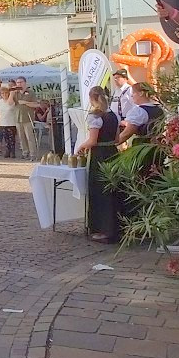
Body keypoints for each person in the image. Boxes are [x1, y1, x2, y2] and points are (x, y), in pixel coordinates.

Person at [76, 85, 122, 244]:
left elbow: (92, 141)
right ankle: (115, 227)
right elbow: (117, 139)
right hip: (113, 152)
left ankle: (103, 229)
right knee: (112, 189)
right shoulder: (114, 115)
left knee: (100, 190)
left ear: (92, 99)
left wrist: (81, 147)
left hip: (100, 155)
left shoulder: (95, 116)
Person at [14, 78, 41, 161]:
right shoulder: (16, 93)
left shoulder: (30, 93)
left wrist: (25, 102)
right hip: (18, 118)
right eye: (17, 82)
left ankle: (33, 154)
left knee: (29, 137)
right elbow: (10, 103)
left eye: (21, 82)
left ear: (25, 83)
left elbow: (36, 105)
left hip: (28, 118)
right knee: (21, 138)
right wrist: (12, 93)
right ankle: (25, 152)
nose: (19, 84)